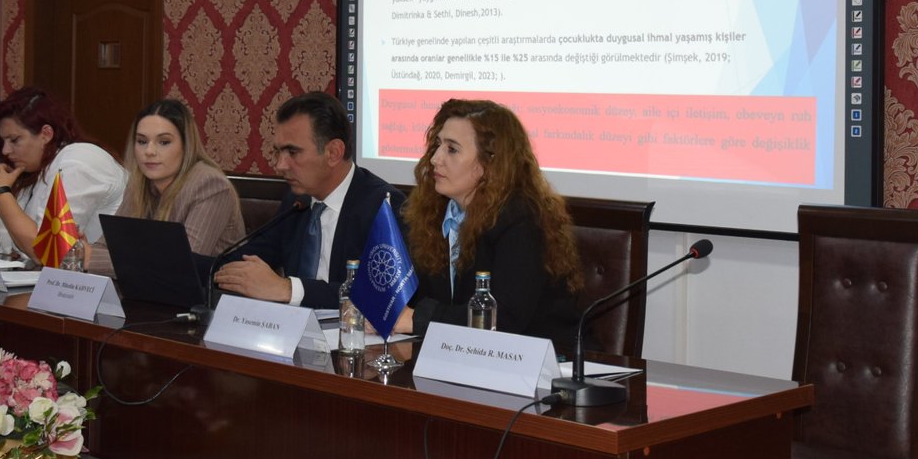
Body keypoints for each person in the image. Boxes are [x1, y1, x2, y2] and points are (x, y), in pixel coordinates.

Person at [394, 98, 584, 347]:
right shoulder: (431, 214)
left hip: (539, 359)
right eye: (438, 145)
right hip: (460, 354)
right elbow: (419, 295)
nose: (435, 159)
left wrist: (417, 319)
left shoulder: (522, 220)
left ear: (489, 162)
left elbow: (504, 318)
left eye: (452, 149)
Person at [211, 91, 402, 308]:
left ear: (333, 152)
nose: (280, 165)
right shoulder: (297, 201)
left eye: (293, 152)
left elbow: (381, 295)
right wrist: (187, 266)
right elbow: (239, 261)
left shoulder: (383, 207)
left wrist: (288, 289)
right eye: (278, 152)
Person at [0, 87, 126, 264]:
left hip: (106, 279)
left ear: (46, 134)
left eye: (14, 140)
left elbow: (47, 251)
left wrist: (0, 192)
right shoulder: (37, 168)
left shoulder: (78, 161)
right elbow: (0, 243)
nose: (5, 151)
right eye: (3, 142)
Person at [82, 99, 245, 276]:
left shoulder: (210, 185)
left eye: (164, 142)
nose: (149, 151)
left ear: (186, 146)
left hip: (209, 292)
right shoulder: (139, 183)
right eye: (142, 141)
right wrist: (82, 251)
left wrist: (93, 259)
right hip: (148, 290)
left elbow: (180, 266)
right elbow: (106, 245)